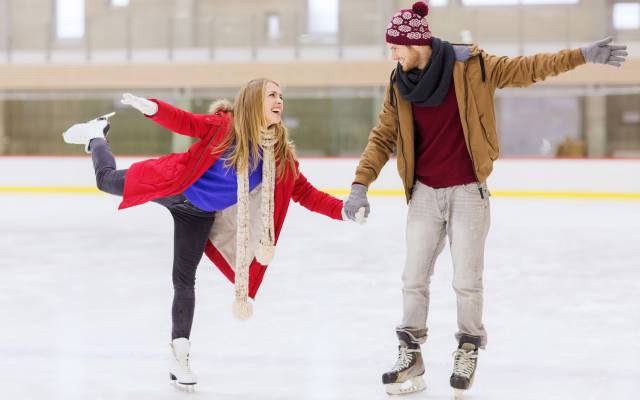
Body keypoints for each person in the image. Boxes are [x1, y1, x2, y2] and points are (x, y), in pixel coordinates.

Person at [342, 1, 627, 397]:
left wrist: (581, 55)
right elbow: (382, 136)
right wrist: (360, 183)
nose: (392, 55)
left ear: (416, 43)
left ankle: (467, 348)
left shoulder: (471, 66)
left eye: (396, 47)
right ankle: (411, 352)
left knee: (466, 280)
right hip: (424, 193)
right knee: (413, 277)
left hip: (468, 192)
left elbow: (528, 68)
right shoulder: (398, 83)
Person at [62, 78, 365, 391]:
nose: (279, 101)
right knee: (106, 181)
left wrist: (343, 210)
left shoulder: (279, 157)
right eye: (272, 95)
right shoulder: (225, 127)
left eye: (281, 96)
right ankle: (96, 135)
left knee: (184, 279)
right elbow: (186, 122)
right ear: (253, 101)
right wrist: (152, 108)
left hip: (198, 214)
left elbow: (306, 193)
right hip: (173, 184)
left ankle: (179, 356)